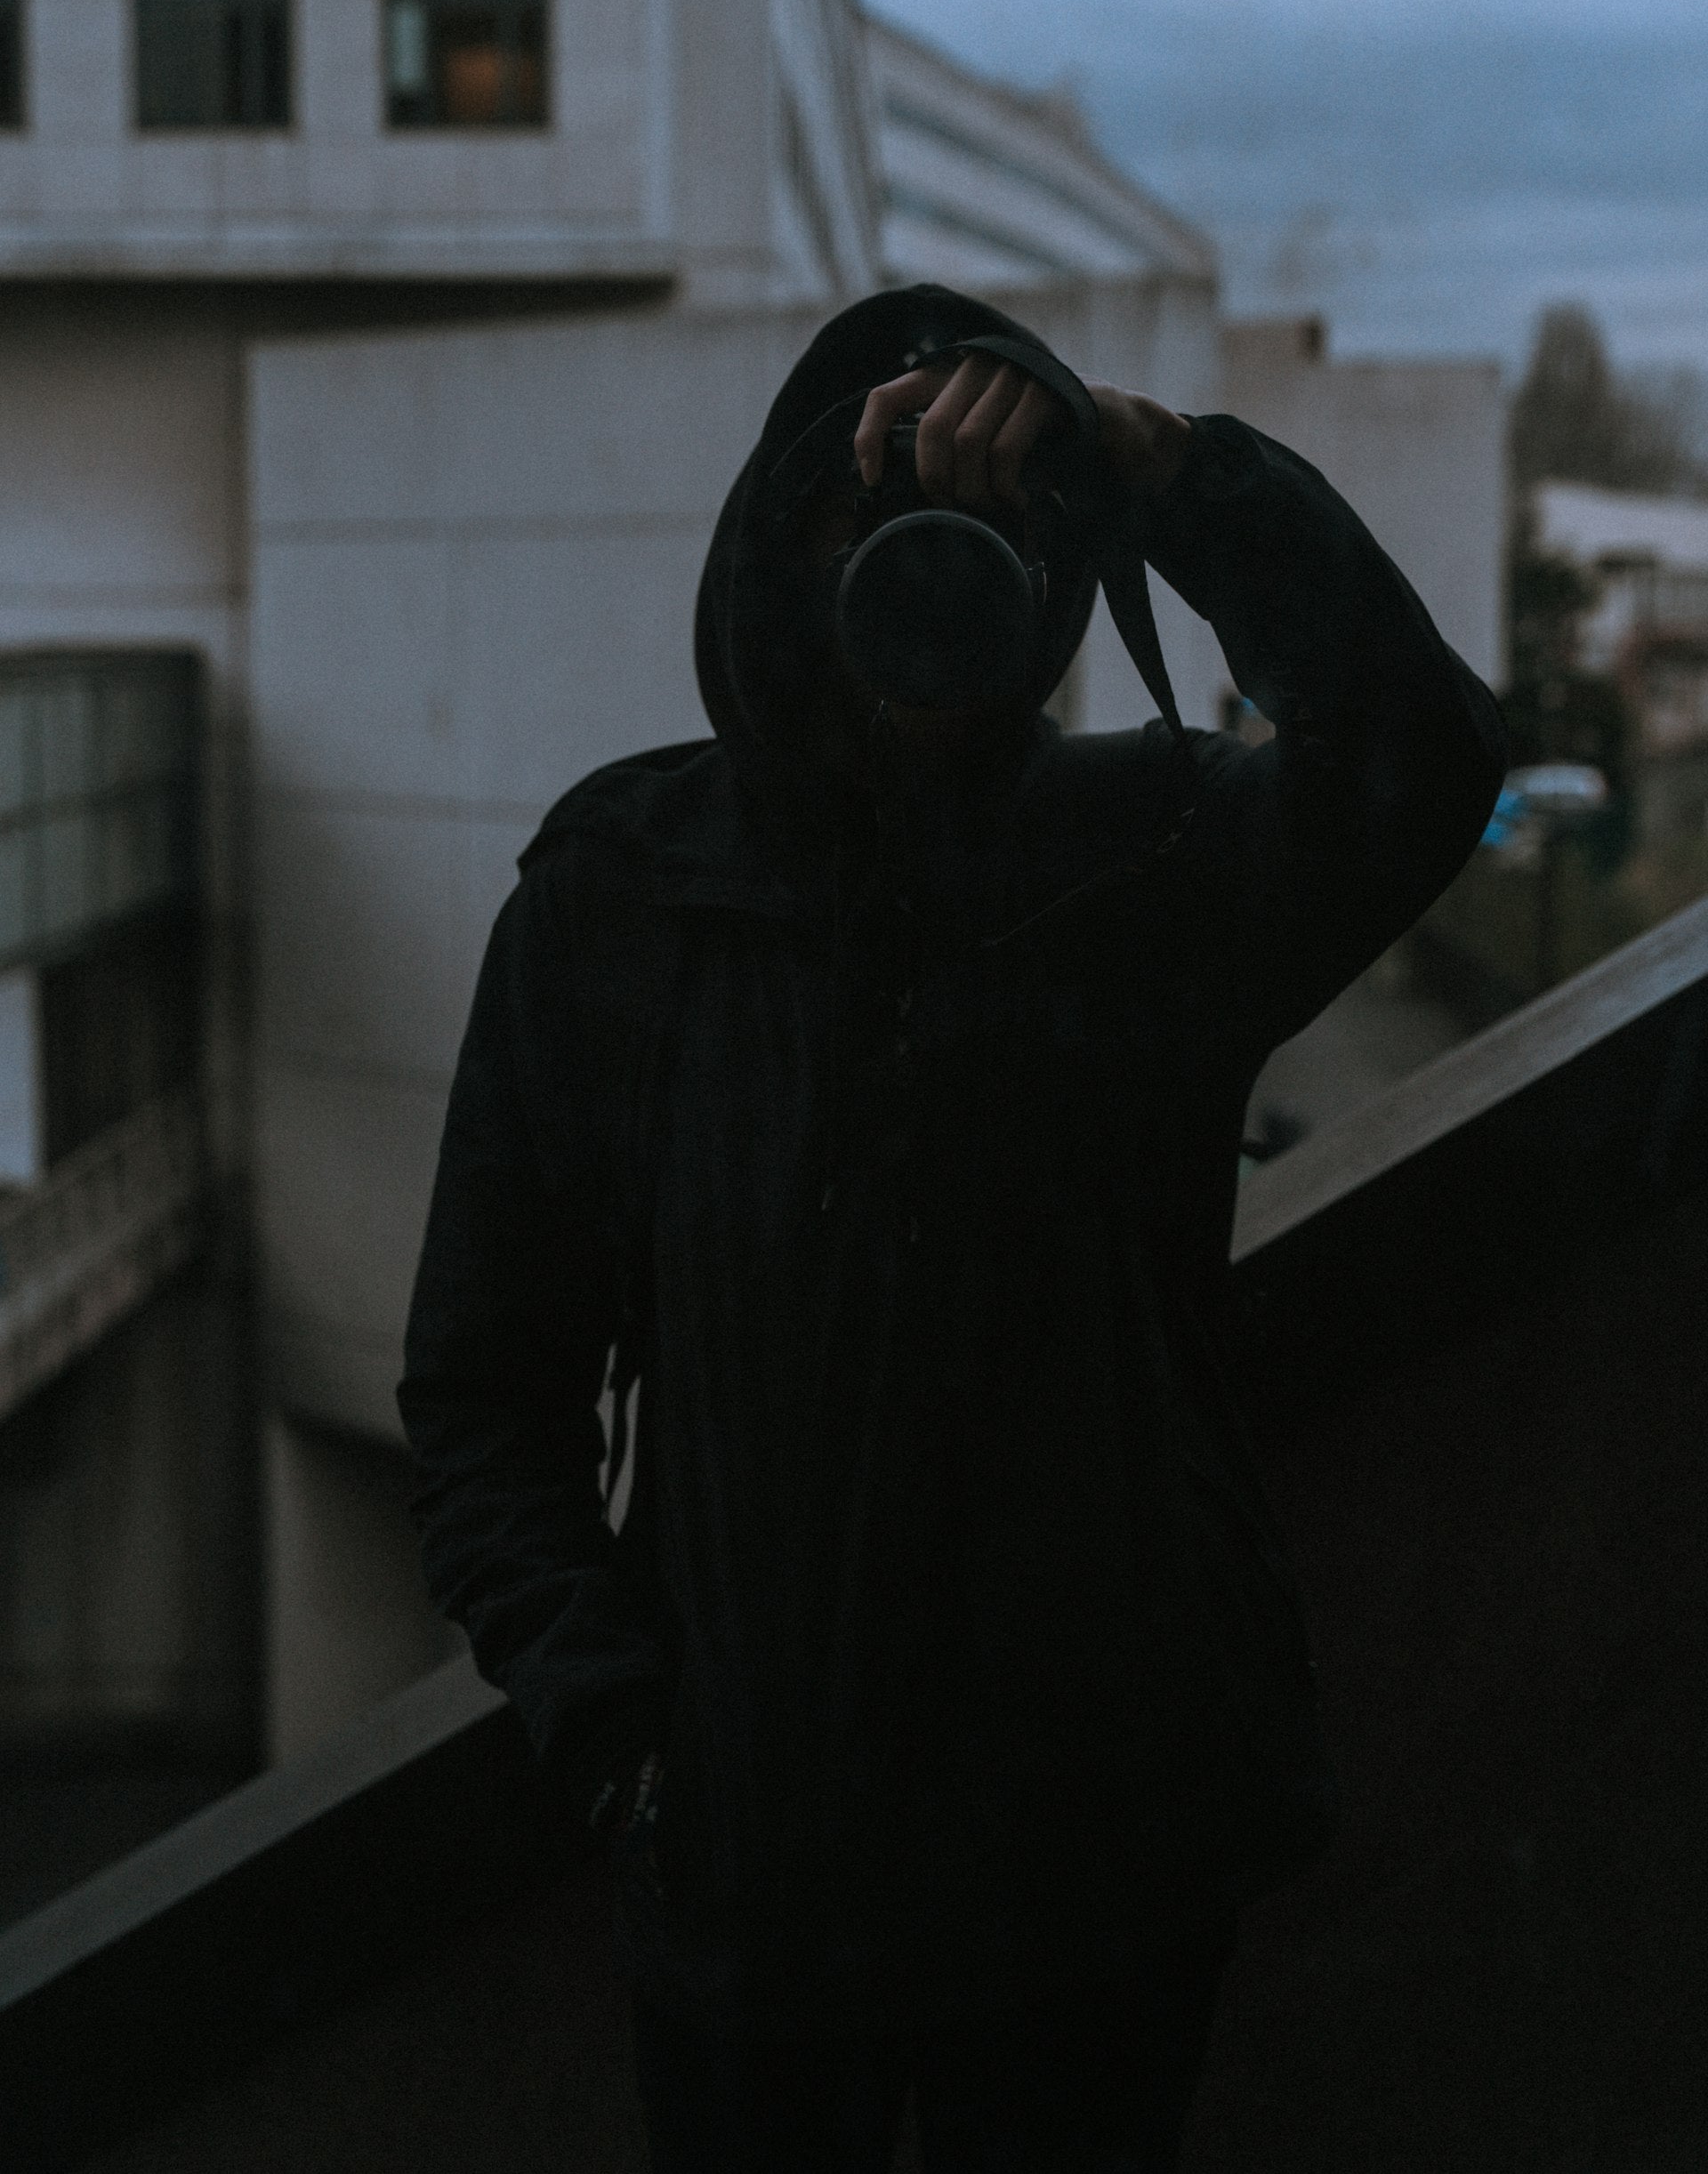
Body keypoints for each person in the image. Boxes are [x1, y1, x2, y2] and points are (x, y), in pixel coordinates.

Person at [397, 284, 1506, 2172]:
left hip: (1103, 1887)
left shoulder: (1154, 852)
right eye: (869, 518)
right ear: (775, 550)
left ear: (1054, 581)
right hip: (750, 1899)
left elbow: (1425, 761)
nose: (917, 569)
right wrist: (624, 1744)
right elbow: (485, 1385)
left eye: (982, 524)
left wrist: (1177, 478)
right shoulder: (619, 893)